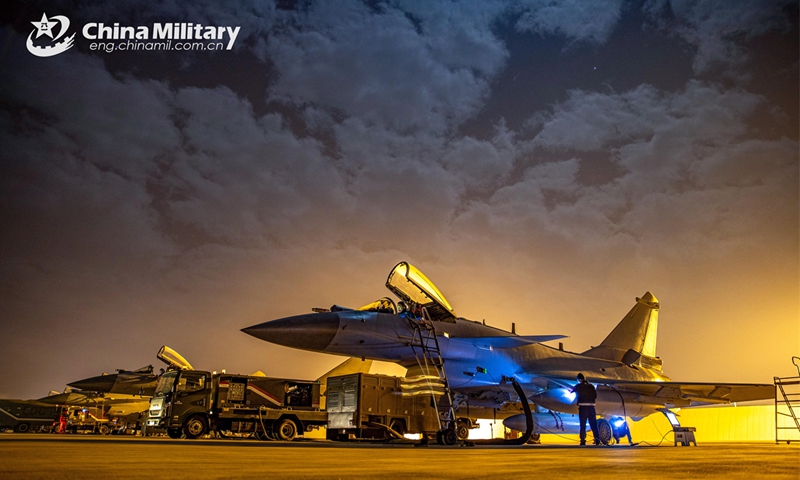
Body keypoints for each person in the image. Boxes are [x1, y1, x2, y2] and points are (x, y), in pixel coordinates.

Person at [573, 373, 600, 445]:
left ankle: (583, 440)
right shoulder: (591, 386)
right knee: (593, 424)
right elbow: (595, 396)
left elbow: (572, 391)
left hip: (583, 408)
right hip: (591, 408)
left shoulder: (578, 386)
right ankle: (597, 439)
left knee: (583, 425)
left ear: (579, 380)